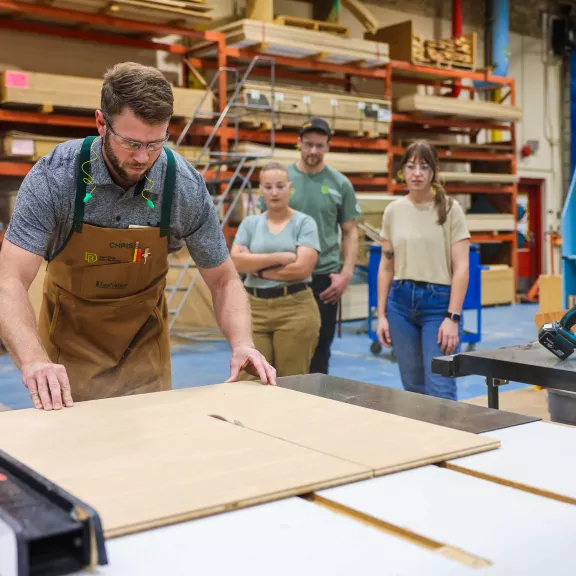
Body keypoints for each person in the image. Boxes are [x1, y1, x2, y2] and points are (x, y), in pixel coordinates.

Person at [0, 62, 276, 411]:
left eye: (156, 143)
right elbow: (8, 280)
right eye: (131, 142)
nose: (143, 157)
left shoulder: (183, 187)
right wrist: (34, 362)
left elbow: (223, 280)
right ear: (101, 123)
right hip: (66, 356)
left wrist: (242, 343)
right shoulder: (56, 177)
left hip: (145, 350)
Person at [258, 117, 360, 374]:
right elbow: (263, 223)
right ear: (299, 144)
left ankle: (315, 405)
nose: (313, 151)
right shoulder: (282, 181)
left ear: (328, 146)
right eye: (308, 144)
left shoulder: (340, 184)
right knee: (278, 353)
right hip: (282, 276)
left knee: (319, 350)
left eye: (319, 145)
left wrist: (345, 274)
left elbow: (350, 231)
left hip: (324, 279)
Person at [376, 140, 470, 401]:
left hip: (438, 305)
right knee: (413, 387)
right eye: (411, 166)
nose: (417, 173)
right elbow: (386, 266)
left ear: (434, 171)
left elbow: (462, 267)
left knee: (441, 387)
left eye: (424, 167)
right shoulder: (393, 211)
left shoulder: (451, 209)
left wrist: (453, 317)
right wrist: (381, 314)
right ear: (402, 171)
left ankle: (452, 441)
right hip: (400, 304)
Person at [231, 162, 321, 376]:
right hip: (254, 309)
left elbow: (302, 269)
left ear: (290, 187)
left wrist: (257, 267)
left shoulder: (304, 223)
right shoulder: (250, 224)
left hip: (295, 309)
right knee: (250, 379)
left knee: (291, 380)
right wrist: (281, 257)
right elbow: (235, 261)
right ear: (261, 189)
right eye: (268, 187)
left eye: (280, 186)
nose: (274, 192)